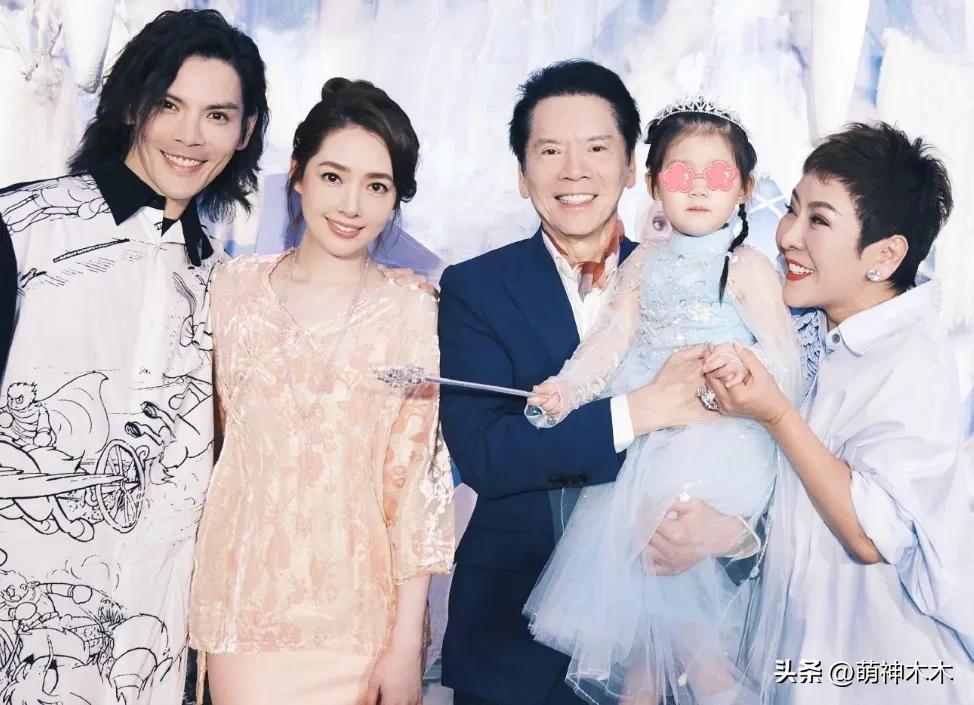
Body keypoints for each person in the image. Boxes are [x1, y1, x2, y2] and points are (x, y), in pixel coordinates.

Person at [438, 61, 757, 705]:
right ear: (522, 174)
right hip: (512, 644)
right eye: (550, 151)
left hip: (659, 643)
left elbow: (756, 430)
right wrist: (637, 411)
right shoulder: (474, 288)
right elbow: (488, 456)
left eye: (596, 148)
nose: (574, 170)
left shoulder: (700, 277)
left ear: (633, 167)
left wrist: (732, 534)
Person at [0, 10, 267, 703]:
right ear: (129, 108)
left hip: (148, 643)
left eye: (217, 115)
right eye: (169, 106)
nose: (190, 135)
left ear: (244, 133)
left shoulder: (228, 287)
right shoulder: (23, 229)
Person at [525, 96, 800, 705]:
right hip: (648, 441)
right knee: (648, 630)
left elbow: (785, 360)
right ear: (653, 186)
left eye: (717, 175)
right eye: (679, 174)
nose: (698, 188)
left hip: (720, 439)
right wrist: (565, 389)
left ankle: (716, 686)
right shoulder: (643, 264)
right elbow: (608, 343)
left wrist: (740, 369)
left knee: (666, 552)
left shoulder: (748, 267)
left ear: (745, 188)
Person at [188, 78, 454, 705]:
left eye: (377, 186)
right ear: (298, 173)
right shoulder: (229, 291)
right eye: (333, 176)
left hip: (362, 623)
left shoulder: (413, 309)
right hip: (244, 612)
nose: (352, 205)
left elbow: (416, 487)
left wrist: (405, 646)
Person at [702, 122, 974, 703]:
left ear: (885, 255)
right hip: (797, 654)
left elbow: (871, 535)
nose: (788, 236)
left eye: (819, 221)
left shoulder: (912, 358)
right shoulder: (806, 326)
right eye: (792, 209)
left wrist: (777, 415)